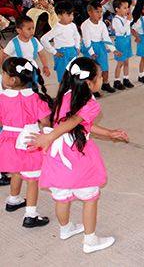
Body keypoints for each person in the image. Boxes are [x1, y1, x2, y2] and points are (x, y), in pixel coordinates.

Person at [34, 57, 128, 253]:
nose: (102, 79)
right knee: (90, 197)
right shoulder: (89, 103)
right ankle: (90, 241)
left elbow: (82, 123)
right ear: (88, 83)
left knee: (61, 196)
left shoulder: (66, 95)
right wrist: (50, 135)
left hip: (58, 157)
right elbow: (75, 120)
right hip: (77, 154)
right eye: (100, 77)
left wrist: (109, 133)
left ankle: (65, 229)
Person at [0, 57, 53, 227]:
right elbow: (45, 122)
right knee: (32, 179)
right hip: (30, 142)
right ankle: (30, 215)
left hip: (9, 142)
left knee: (16, 171)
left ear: (12, 79)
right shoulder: (36, 98)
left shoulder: (2, 98)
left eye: (3, 74)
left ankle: (13, 199)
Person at [81, 1, 120, 96]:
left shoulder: (102, 24)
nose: (99, 14)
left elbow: (106, 38)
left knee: (104, 67)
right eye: (97, 12)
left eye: (101, 12)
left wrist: (113, 49)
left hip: (101, 47)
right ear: (90, 12)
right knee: (91, 70)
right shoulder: (85, 25)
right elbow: (86, 41)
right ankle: (91, 89)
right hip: (89, 48)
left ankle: (105, 84)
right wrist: (91, 52)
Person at [40, 1, 81, 83]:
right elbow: (43, 39)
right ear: (59, 16)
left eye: (72, 15)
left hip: (72, 51)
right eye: (69, 15)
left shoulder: (72, 25)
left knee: (74, 73)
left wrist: (77, 47)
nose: (71, 17)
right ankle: (62, 93)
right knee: (63, 76)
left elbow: (77, 36)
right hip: (62, 53)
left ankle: (73, 92)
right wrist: (54, 52)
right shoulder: (57, 28)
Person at [111, 0, 135, 91]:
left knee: (126, 61)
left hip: (127, 40)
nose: (127, 10)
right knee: (120, 62)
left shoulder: (124, 17)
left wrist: (129, 18)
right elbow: (122, 30)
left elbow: (130, 20)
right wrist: (128, 21)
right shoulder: (116, 20)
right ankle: (116, 81)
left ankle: (126, 78)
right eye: (125, 8)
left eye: (127, 7)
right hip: (121, 41)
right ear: (117, 9)